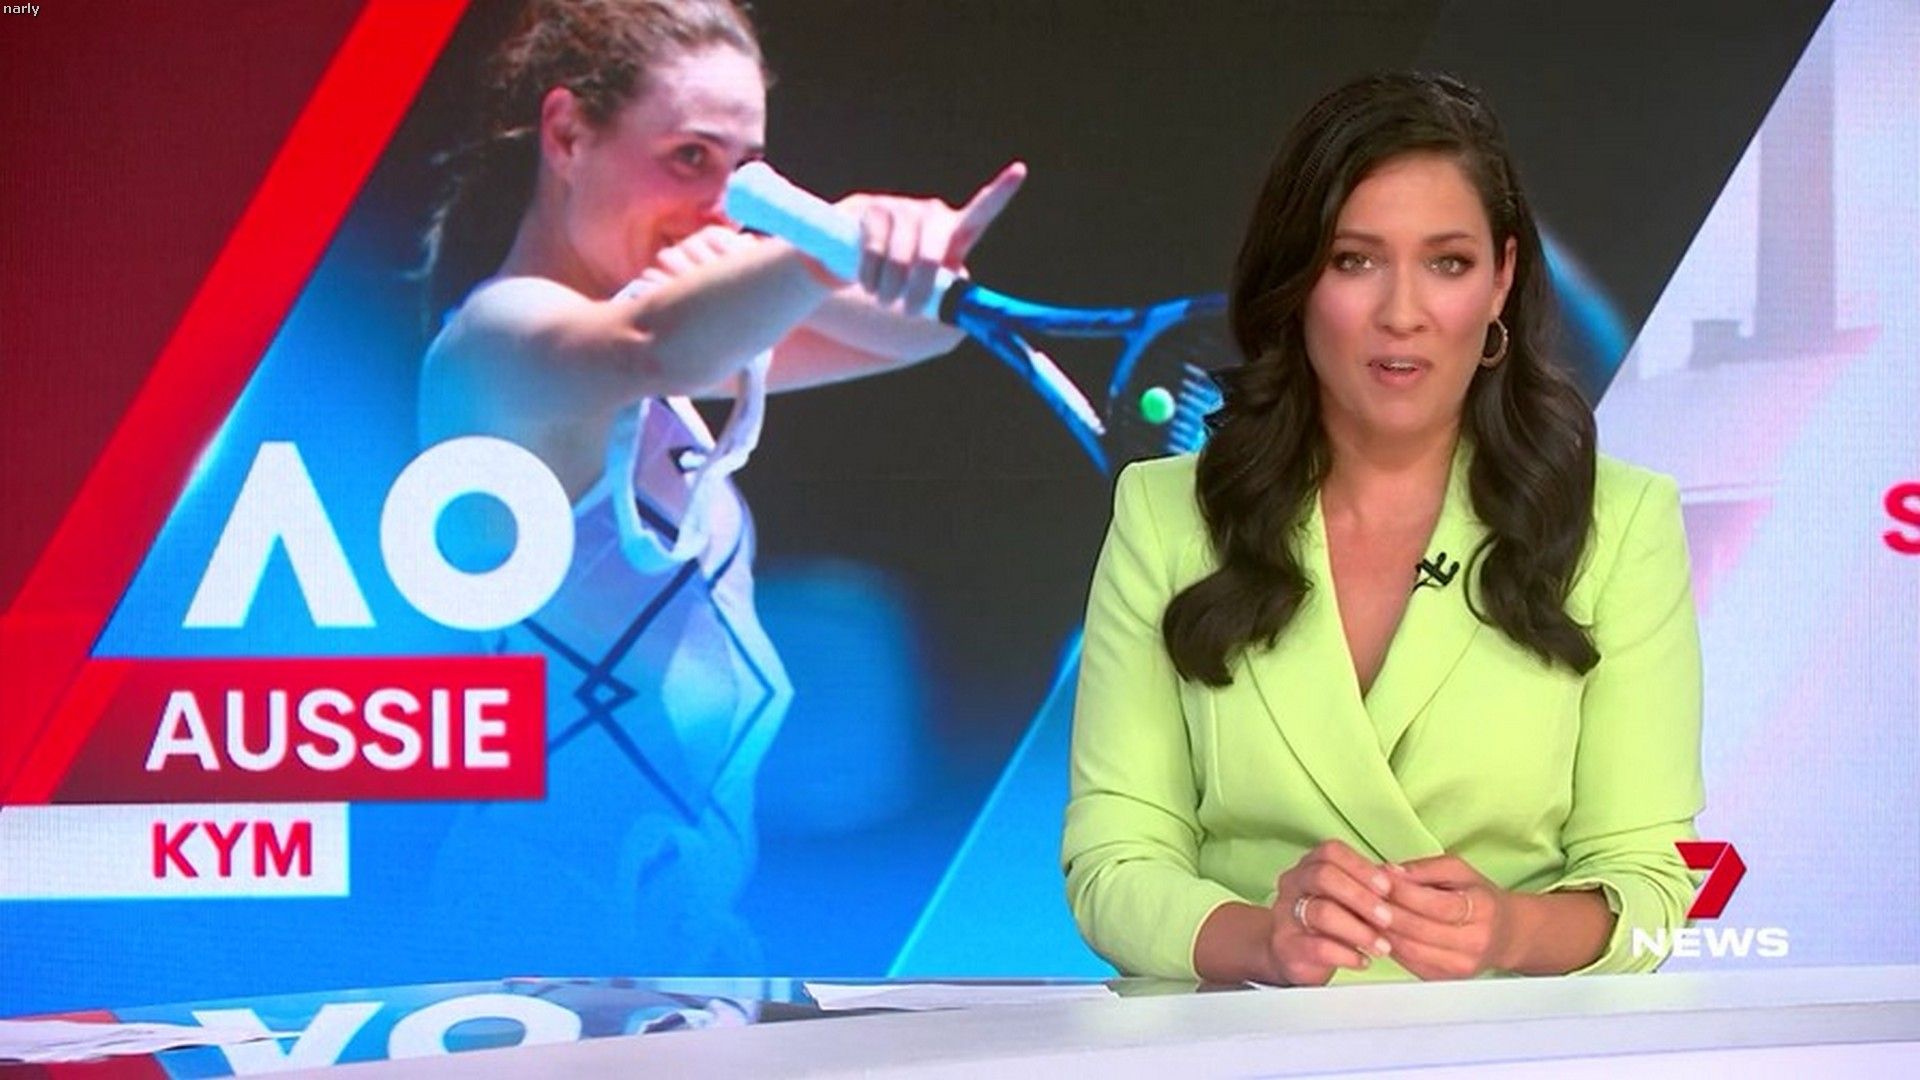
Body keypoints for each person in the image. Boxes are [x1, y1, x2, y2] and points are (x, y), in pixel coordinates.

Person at [415, 0, 1022, 973]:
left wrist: (883, 250)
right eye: (690, 158)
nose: (720, 205)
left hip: (674, 953)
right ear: (567, 135)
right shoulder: (500, 342)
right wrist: (831, 237)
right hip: (526, 958)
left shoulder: (657, 353)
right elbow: (656, 342)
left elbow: (922, 332)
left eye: (746, 175)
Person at [1062, 72, 1703, 986]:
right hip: (1242, 1038)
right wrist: (1264, 940)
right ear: (1296, 281)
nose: (1402, 314)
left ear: (1501, 279)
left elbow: (1651, 894)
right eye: (1355, 261)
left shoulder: (1620, 523)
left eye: (1448, 263)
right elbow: (1115, 860)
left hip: (1503, 1045)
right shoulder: (1165, 515)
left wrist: (1510, 932)